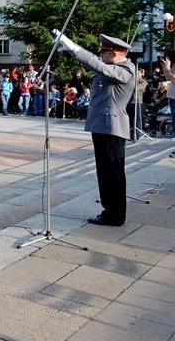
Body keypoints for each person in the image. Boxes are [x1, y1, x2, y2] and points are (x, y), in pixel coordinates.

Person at [54, 30, 134, 226]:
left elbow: (98, 66)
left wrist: (75, 48)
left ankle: (115, 215)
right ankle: (109, 210)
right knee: (104, 170)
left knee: (112, 171)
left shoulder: (125, 70)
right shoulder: (112, 68)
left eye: (104, 52)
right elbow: (98, 66)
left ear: (115, 53)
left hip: (111, 126)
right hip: (102, 125)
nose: (101, 55)